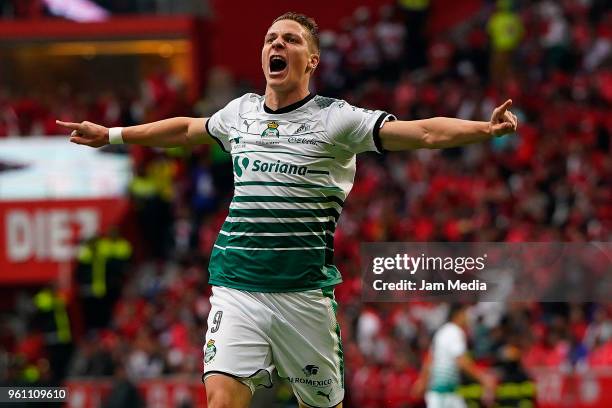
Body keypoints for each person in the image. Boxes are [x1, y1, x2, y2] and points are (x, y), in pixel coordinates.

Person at [57, 11, 518, 408]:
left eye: (291, 39)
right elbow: (187, 130)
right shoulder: (240, 113)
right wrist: (114, 135)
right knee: (221, 398)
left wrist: (484, 128)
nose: (277, 43)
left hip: (303, 295)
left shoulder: (338, 119)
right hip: (238, 284)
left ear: (311, 60)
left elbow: (424, 133)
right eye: (270, 39)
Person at [412, 304, 497, 408]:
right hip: (442, 395)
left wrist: (422, 381)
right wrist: (483, 378)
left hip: (445, 393)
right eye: (466, 314)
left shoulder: (442, 332)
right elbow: (461, 360)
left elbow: (430, 359)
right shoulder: (454, 331)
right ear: (458, 315)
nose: (468, 318)